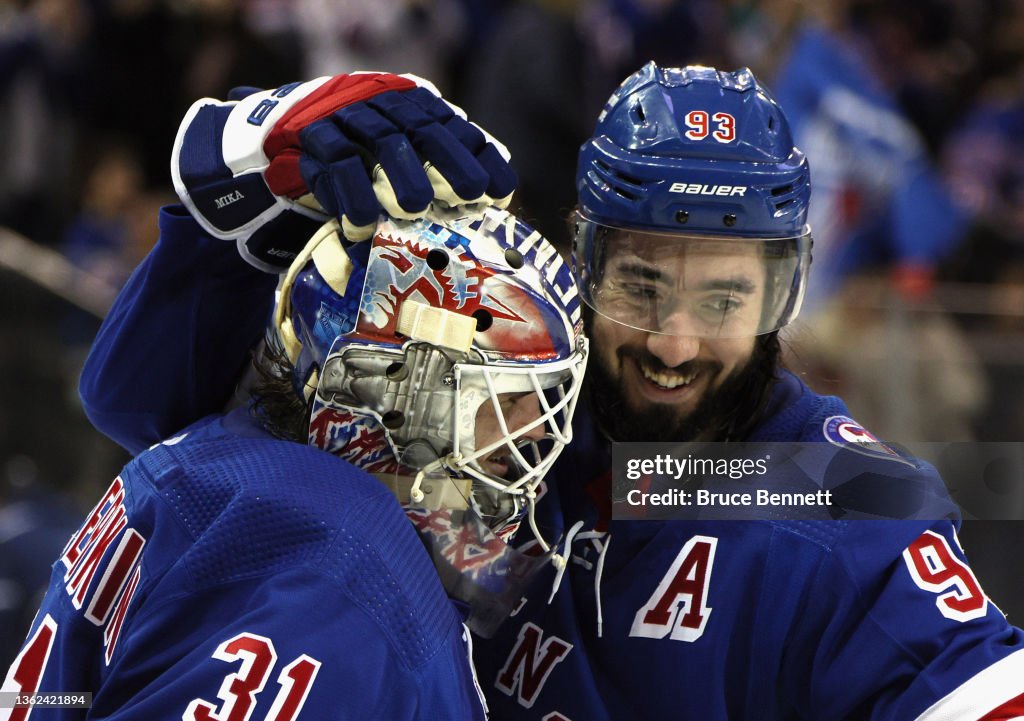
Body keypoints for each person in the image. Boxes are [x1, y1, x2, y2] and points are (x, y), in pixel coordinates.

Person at [46, 65, 1024, 718]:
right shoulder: (495, 367)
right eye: (641, 283)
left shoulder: (835, 495)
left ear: (782, 295)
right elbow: (148, 418)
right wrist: (239, 184)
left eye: (724, 296)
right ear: (585, 261)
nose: (674, 343)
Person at [1, 72, 589, 720]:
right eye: (505, 397)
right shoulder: (338, 560)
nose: (533, 438)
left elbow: (122, 395)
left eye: (544, 400)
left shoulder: (238, 456)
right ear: (384, 384)